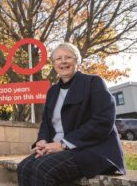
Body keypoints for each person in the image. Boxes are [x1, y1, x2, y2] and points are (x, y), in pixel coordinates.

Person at [17, 42, 125, 186]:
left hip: (90, 150)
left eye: (68, 57)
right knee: (23, 167)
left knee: (42, 169)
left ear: (77, 61)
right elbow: (46, 123)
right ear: (53, 64)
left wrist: (62, 144)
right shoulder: (53, 91)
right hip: (58, 148)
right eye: (58, 58)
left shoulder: (93, 82)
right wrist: (42, 140)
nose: (63, 62)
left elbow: (103, 121)